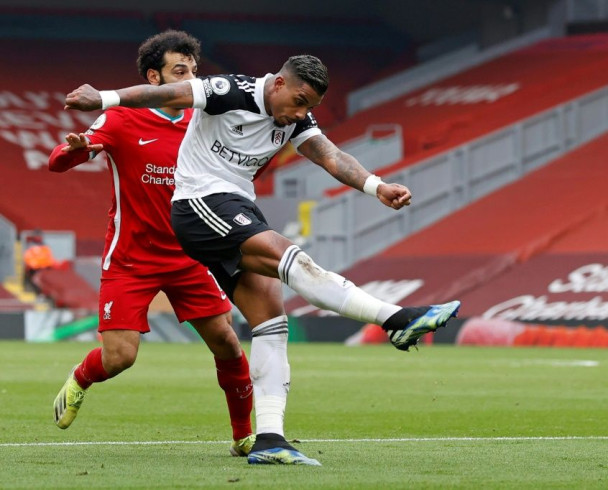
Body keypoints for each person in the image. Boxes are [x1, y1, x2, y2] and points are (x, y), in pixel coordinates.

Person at [63, 54, 462, 466]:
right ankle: (396, 320)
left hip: (237, 208)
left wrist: (376, 186)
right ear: (277, 85)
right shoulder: (230, 91)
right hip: (199, 204)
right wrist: (106, 98)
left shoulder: (295, 120)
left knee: (272, 321)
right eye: (300, 101)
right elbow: (168, 92)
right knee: (294, 261)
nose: (302, 113)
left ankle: (270, 438)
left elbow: (331, 156)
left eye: (310, 107)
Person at [48, 30, 259, 459]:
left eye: (194, 72)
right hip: (131, 258)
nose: (190, 80)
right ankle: (80, 379)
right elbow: (57, 162)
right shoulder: (122, 117)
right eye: (180, 71)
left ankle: (243, 436)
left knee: (228, 342)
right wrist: (78, 149)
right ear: (153, 77)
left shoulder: (204, 120)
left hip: (190, 254)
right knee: (121, 357)